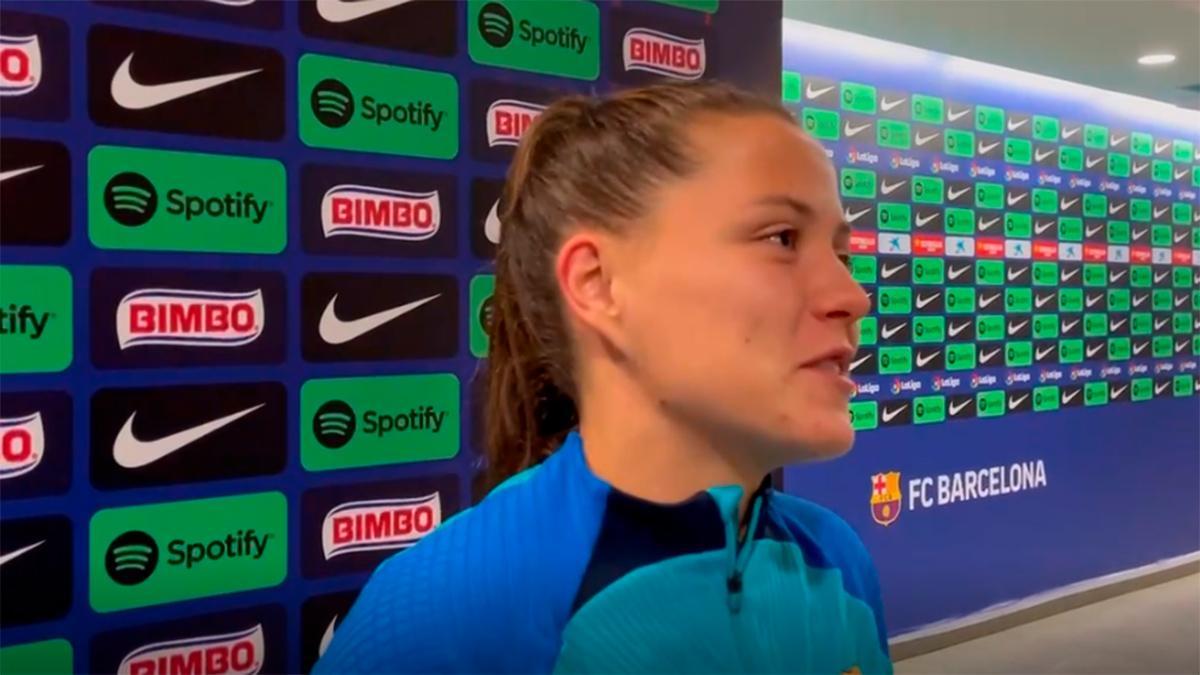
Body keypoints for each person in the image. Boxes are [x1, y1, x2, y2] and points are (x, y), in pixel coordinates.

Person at [314, 80, 888, 674]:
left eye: (841, 255)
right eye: (782, 238)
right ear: (598, 284)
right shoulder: (445, 613)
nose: (851, 296)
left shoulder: (836, 559)